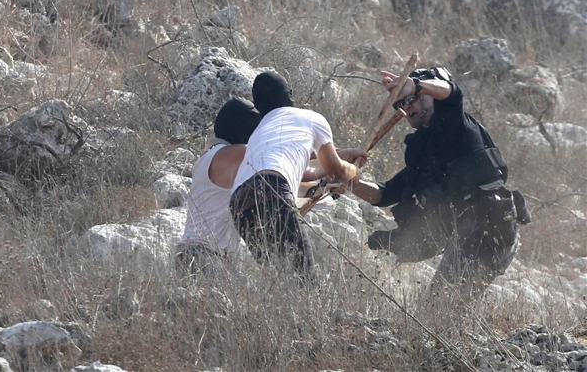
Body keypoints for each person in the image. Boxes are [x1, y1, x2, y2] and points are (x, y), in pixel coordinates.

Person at [349, 67, 530, 301]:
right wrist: (350, 181)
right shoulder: (423, 149)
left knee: (439, 306)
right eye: (400, 103)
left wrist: (416, 85)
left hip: (487, 228)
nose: (406, 107)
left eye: (412, 99)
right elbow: (384, 194)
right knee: (441, 305)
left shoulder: (455, 125)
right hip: (469, 233)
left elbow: (452, 94)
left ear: (431, 96)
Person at [229, 71, 365, 280]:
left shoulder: (261, 130)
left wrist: (345, 154)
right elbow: (336, 170)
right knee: (304, 280)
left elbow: (302, 158)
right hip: (272, 188)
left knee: (280, 277)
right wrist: (353, 171)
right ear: (289, 94)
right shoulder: (311, 118)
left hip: (239, 202)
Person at [176, 97, 263, 277]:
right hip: (204, 256)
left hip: (195, 256)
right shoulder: (231, 154)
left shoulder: (211, 156)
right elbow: (274, 152)